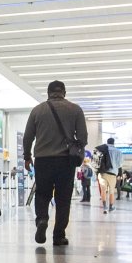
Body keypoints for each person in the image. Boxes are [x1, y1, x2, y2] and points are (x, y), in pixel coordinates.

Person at [22, 80, 88, 246]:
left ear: (48, 93)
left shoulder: (37, 110)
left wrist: (27, 156)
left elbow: (28, 136)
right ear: (64, 92)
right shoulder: (75, 109)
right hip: (66, 161)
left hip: (43, 160)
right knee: (63, 199)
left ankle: (42, 219)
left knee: (42, 194)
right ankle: (59, 235)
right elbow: (83, 137)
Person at [92, 141, 116, 213]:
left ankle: (105, 207)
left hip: (101, 173)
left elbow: (94, 162)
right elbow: (119, 164)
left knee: (103, 190)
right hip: (111, 173)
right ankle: (111, 207)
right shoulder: (116, 151)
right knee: (111, 191)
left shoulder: (99, 149)